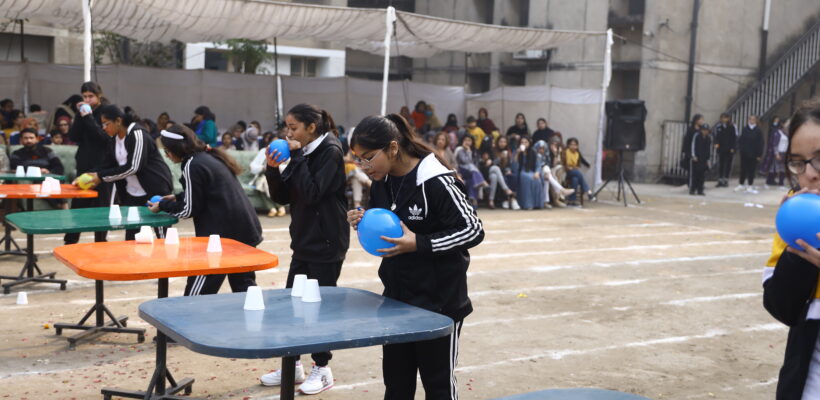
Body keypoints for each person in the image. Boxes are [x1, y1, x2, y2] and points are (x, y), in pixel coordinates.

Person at [346, 113, 483, 400]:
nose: (363, 166)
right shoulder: (382, 181)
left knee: (438, 386)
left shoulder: (436, 180)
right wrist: (365, 219)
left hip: (439, 303)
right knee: (396, 386)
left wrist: (419, 243)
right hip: (396, 299)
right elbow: (390, 225)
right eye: (358, 159)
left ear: (393, 148)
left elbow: (473, 229)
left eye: (368, 157)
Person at [260, 104, 348, 395]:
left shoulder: (330, 152)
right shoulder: (305, 152)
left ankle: (322, 369)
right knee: (293, 305)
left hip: (326, 242)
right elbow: (283, 196)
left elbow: (311, 193)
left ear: (311, 127)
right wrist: (272, 170)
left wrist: (295, 156)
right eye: (286, 127)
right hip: (303, 242)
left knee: (318, 309)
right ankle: (293, 364)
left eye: (293, 127)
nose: (288, 133)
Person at [149, 123, 262, 295]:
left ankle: (188, 322)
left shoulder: (191, 164)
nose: (166, 155)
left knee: (196, 296)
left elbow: (188, 209)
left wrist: (162, 205)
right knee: (245, 289)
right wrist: (177, 197)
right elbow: (206, 194)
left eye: (166, 150)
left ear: (175, 149)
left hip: (221, 240)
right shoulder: (207, 157)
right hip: (244, 231)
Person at [762, 97, 820, 400]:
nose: (809, 174)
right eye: (799, 161)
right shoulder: (796, 212)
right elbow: (781, 307)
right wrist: (797, 254)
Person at [82, 105, 173, 241]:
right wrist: (90, 175)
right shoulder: (113, 140)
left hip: (155, 189)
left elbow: (134, 167)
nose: (104, 128)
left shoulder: (138, 134)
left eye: (106, 124)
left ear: (118, 121)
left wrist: (100, 177)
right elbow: (108, 164)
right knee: (131, 237)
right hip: (132, 193)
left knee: (162, 236)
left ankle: (167, 262)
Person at [65, 81, 112, 245]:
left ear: (98, 96)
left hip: (103, 165)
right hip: (84, 163)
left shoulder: (106, 112)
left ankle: (100, 241)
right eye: (84, 96)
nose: (87, 99)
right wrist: (79, 115)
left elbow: (103, 138)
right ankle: (70, 241)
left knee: (101, 207)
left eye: (90, 96)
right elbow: (74, 136)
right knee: (78, 204)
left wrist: (89, 117)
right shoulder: (82, 112)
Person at [250, 132, 287, 217]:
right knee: (262, 183)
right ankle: (276, 208)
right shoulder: (263, 151)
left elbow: (289, 167)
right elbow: (253, 166)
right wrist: (263, 167)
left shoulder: (286, 152)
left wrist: (276, 167)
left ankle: (276, 208)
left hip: (280, 176)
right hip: (263, 175)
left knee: (268, 183)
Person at [535, 139, 574, 206]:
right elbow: (537, 165)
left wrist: (556, 153)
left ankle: (546, 201)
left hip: (547, 172)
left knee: (547, 178)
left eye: (543, 149)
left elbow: (552, 164)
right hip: (537, 172)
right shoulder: (535, 155)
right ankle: (561, 190)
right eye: (540, 148)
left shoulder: (547, 154)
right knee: (548, 174)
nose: (541, 150)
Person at [454, 135, 488, 207]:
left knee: (472, 180)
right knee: (471, 168)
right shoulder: (459, 149)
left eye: (469, 140)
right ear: (462, 141)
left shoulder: (475, 151)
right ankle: (482, 182)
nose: (467, 142)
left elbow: (475, 163)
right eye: (465, 140)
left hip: (471, 172)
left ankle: (472, 200)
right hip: (461, 170)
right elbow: (465, 161)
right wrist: (468, 151)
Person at [563, 137, 596, 205]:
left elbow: (582, 160)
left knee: (575, 179)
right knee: (578, 173)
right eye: (571, 144)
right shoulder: (565, 152)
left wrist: (588, 165)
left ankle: (572, 201)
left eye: (575, 145)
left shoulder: (577, 153)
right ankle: (588, 192)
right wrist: (568, 167)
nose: (573, 146)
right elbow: (562, 163)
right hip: (566, 172)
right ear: (568, 145)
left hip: (574, 172)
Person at [515, 137, 544, 210]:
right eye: (522, 142)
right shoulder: (517, 152)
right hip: (522, 171)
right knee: (527, 178)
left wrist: (537, 172)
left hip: (531, 171)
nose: (524, 144)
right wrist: (517, 154)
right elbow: (514, 165)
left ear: (529, 143)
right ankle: (528, 204)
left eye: (526, 142)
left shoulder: (533, 152)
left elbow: (538, 165)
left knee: (537, 180)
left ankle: (537, 204)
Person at [737, 115, 764, 193]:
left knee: (751, 170)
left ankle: (750, 185)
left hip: (754, 154)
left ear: (756, 120)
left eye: (753, 119)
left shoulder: (758, 130)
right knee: (743, 169)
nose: (751, 120)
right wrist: (741, 149)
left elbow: (760, 143)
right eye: (750, 119)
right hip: (744, 153)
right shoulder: (745, 129)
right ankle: (741, 184)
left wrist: (759, 154)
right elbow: (741, 140)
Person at [761, 116, 787, 187]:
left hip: (784, 153)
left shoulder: (786, 133)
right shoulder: (777, 132)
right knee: (774, 168)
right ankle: (769, 181)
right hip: (778, 152)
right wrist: (776, 153)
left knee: (783, 168)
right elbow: (774, 143)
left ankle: (781, 183)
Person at [682, 113, 704, 189]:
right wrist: (688, 153)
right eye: (700, 119)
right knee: (691, 170)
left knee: (700, 170)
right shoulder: (691, 130)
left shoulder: (702, 130)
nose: (702, 121)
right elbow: (687, 141)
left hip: (700, 152)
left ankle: (699, 184)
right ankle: (691, 184)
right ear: (696, 120)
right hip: (692, 152)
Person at [714, 113, 736, 187]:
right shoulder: (718, 127)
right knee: (721, 164)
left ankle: (726, 179)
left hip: (729, 148)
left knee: (728, 164)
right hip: (721, 148)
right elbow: (716, 136)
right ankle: (720, 179)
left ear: (728, 119)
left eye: (725, 118)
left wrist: (733, 147)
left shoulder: (732, 127)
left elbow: (734, 138)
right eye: (722, 118)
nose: (724, 119)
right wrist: (716, 143)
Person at [690, 123, 712, 196]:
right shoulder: (697, 136)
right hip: (697, 158)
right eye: (704, 130)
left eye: (707, 130)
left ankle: (700, 190)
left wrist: (708, 159)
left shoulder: (708, 138)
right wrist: (693, 155)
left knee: (702, 175)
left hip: (704, 159)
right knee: (695, 174)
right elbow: (693, 145)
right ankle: (693, 189)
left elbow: (709, 149)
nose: (705, 132)